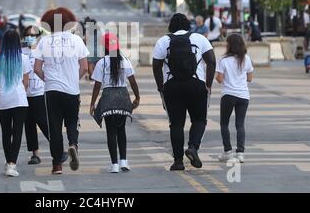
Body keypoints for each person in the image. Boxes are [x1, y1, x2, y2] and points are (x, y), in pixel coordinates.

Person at [152, 13, 216, 171]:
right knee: (199, 120)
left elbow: (156, 66)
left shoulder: (163, 41)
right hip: (196, 84)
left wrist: (161, 87)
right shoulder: (200, 38)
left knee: (176, 124)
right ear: (188, 25)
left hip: (172, 87)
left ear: (171, 26)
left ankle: (178, 162)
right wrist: (208, 84)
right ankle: (193, 147)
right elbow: (212, 62)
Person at [33, 7, 90, 175]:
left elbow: (36, 69)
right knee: (72, 121)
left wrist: (48, 80)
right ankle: (73, 143)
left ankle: (56, 164)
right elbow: (85, 67)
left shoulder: (44, 42)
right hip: (71, 90)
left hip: (52, 90)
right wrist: (73, 79)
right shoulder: (77, 40)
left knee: (55, 127)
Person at [90, 33, 140, 173]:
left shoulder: (101, 62)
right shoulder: (125, 60)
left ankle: (114, 165)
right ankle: (124, 161)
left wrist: (92, 103)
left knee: (111, 131)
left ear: (104, 46)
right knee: (121, 129)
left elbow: (97, 86)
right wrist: (137, 97)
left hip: (108, 98)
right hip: (123, 97)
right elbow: (133, 82)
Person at [21, 25, 68, 165]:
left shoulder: (44, 51)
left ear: (38, 37)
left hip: (40, 92)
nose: (30, 38)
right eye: (27, 35)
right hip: (24, 94)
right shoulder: (21, 52)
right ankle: (35, 154)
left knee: (45, 123)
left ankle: (59, 151)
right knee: (29, 125)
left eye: (33, 35)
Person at [0, 29, 31, 177]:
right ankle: (12, 164)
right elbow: (26, 82)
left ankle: (9, 162)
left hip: (3, 99)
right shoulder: (24, 58)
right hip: (20, 99)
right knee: (18, 132)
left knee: (6, 133)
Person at [216, 34, 253, 164]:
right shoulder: (246, 59)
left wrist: (226, 78)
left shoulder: (223, 60)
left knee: (224, 123)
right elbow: (250, 78)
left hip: (228, 95)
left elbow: (220, 79)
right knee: (240, 124)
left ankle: (227, 152)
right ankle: (240, 153)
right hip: (243, 95)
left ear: (229, 45)